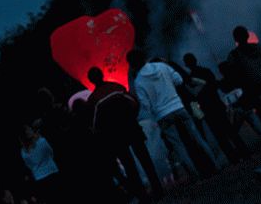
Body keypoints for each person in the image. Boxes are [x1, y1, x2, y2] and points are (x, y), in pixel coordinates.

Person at [127, 50, 216, 179]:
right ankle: (214, 164)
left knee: (179, 146)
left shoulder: (139, 81)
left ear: (132, 65)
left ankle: (195, 175)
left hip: (163, 116)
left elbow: (145, 105)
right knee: (197, 137)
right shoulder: (161, 66)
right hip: (178, 107)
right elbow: (179, 80)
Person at [88, 67, 163, 202]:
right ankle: (158, 188)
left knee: (129, 166)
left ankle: (142, 195)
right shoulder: (116, 87)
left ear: (91, 80)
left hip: (115, 137)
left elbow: (95, 125)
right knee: (145, 159)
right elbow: (134, 102)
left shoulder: (94, 100)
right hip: (131, 127)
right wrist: (131, 117)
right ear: (102, 75)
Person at [183, 53, 248, 162]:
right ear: (195, 60)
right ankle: (244, 152)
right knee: (230, 129)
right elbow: (214, 86)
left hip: (207, 109)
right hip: (216, 103)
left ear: (186, 65)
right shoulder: (206, 71)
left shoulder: (189, 80)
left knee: (219, 135)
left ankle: (232, 157)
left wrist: (199, 114)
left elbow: (193, 98)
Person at [226, 26, 261, 124]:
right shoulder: (260, 48)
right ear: (247, 35)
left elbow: (234, 78)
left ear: (235, 39)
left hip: (255, 94)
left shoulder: (234, 56)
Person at [19, 124, 60, 204]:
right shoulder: (42, 141)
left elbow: (29, 166)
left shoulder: (23, 152)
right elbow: (51, 153)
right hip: (52, 171)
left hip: (39, 178)